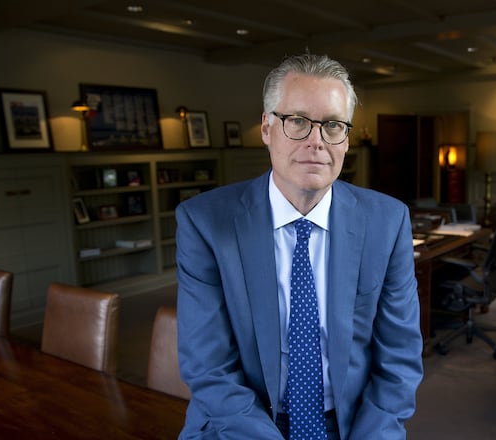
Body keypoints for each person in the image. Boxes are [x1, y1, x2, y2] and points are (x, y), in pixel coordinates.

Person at [176, 53, 423, 439]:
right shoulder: (204, 222)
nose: (316, 141)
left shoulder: (387, 222)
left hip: (352, 425)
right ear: (266, 128)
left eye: (333, 125)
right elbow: (209, 369)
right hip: (240, 423)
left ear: (346, 137)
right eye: (297, 122)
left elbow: (400, 361)